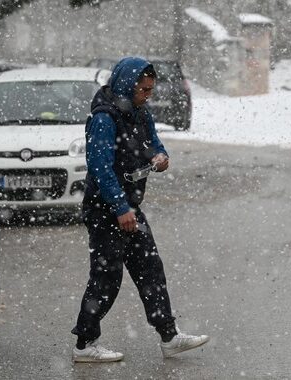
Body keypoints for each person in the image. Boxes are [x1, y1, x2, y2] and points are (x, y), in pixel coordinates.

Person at [71, 57, 209, 363]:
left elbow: (155, 144)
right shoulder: (104, 119)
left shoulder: (139, 114)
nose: (148, 95)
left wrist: (161, 157)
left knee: (150, 269)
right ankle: (85, 343)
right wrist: (120, 207)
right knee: (107, 276)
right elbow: (100, 168)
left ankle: (169, 337)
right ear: (126, 85)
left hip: (129, 207)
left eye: (150, 89)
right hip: (105, 209)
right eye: (143, 89)